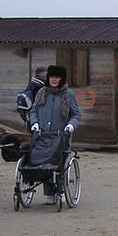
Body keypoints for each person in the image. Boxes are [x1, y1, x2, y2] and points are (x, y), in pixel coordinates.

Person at [28, 65, 82, 203]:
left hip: (61, 136)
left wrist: (71, 126)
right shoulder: (41, 93)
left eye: (57, 77)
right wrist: (34, 123)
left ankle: (60, 190)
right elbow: (33, 110)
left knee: (59, 163)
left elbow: (76, 114)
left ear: (61, 79)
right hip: (43, 135)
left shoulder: (68, 94)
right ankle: (49, 194)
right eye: (52, 77)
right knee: (44, 161)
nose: (54, 80)